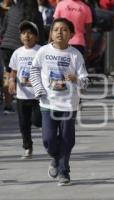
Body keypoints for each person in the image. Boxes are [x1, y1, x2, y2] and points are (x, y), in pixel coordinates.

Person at [30, 18, 89, 186]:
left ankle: (64, 171)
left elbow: (85, 80)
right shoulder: (43, 52)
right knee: (48, 139)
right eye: (56, 29)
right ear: (51, 33)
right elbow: (34, 70)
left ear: (71, 34)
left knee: (67, 138)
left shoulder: (75, 55)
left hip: (69, 103)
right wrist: (38, 89)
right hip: (48, 103)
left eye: (64, 30)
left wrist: (76, 79)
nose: (59, 32)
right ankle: (56, 158)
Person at [0, 0, 45, 114]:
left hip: (7, 46)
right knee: (32, 71)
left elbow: (3, 29)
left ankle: (8, 105)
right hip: (24, 47)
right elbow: (40, 33)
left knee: (8, 74)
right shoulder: (36, 13)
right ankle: (32, 101)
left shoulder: (12, 10)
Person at [7, 21, 42, 159]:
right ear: (20, 36)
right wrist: (11, 81)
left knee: (37, 121)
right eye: (23, 33)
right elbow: (14, 70)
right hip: (22, 95)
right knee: (23, 124)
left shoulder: (41, 51)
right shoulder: (17, 52)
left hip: (38, 95)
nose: (26, 36)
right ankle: (28, 147)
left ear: (36, 37)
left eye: (30, 33)